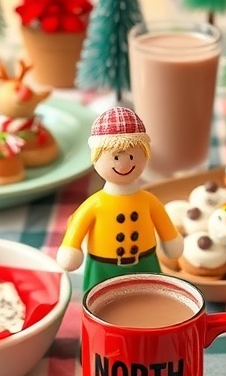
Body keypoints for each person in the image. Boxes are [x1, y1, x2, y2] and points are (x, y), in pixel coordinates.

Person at [57, 107, 184, 293]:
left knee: (150, 296)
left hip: (145, 261)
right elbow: (77, 226)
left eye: (132, 156)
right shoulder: (94, 204)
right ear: (96, 158)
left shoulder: (148, 200)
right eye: (116, 157)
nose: (124, 164)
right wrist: (71, 247)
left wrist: (171, 240)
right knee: (98, 299)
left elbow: (164, 225)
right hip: (103, 266)